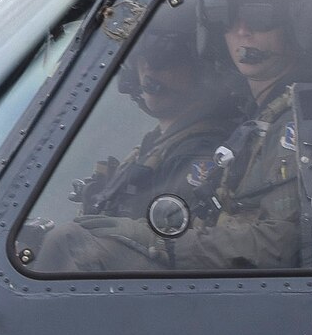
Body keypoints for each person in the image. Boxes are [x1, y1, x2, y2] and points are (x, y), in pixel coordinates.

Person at [31, 0, 307, 273]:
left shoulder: (296, 119)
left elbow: (282, 244)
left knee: (71, 245)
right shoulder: (253, 123)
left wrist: (157, 240)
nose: (241, 31)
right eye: (226, 20)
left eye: (260, 17)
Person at [69, 23, 237, 222]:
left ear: (200, 70)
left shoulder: (199, 150)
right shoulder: (157, 145)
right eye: (141, 57)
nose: (148, 68)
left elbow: (171, 240)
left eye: (164, 58)